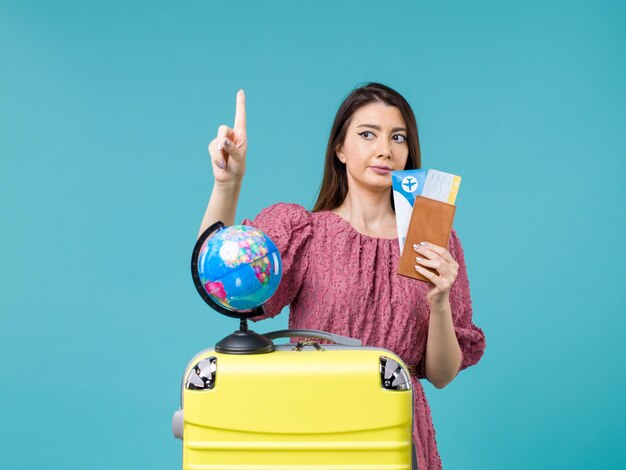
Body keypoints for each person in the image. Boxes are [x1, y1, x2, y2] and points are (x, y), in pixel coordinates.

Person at [198, 83, 486, 469]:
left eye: (397, 137)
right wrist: (227, 185)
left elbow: (442, 374)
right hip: (313, 424)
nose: (385, 149)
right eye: (367, 134)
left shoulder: (433, 241)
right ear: (340, 149)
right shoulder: (305, 233)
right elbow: (219, 284)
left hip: (394, 431)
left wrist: (439, 303)